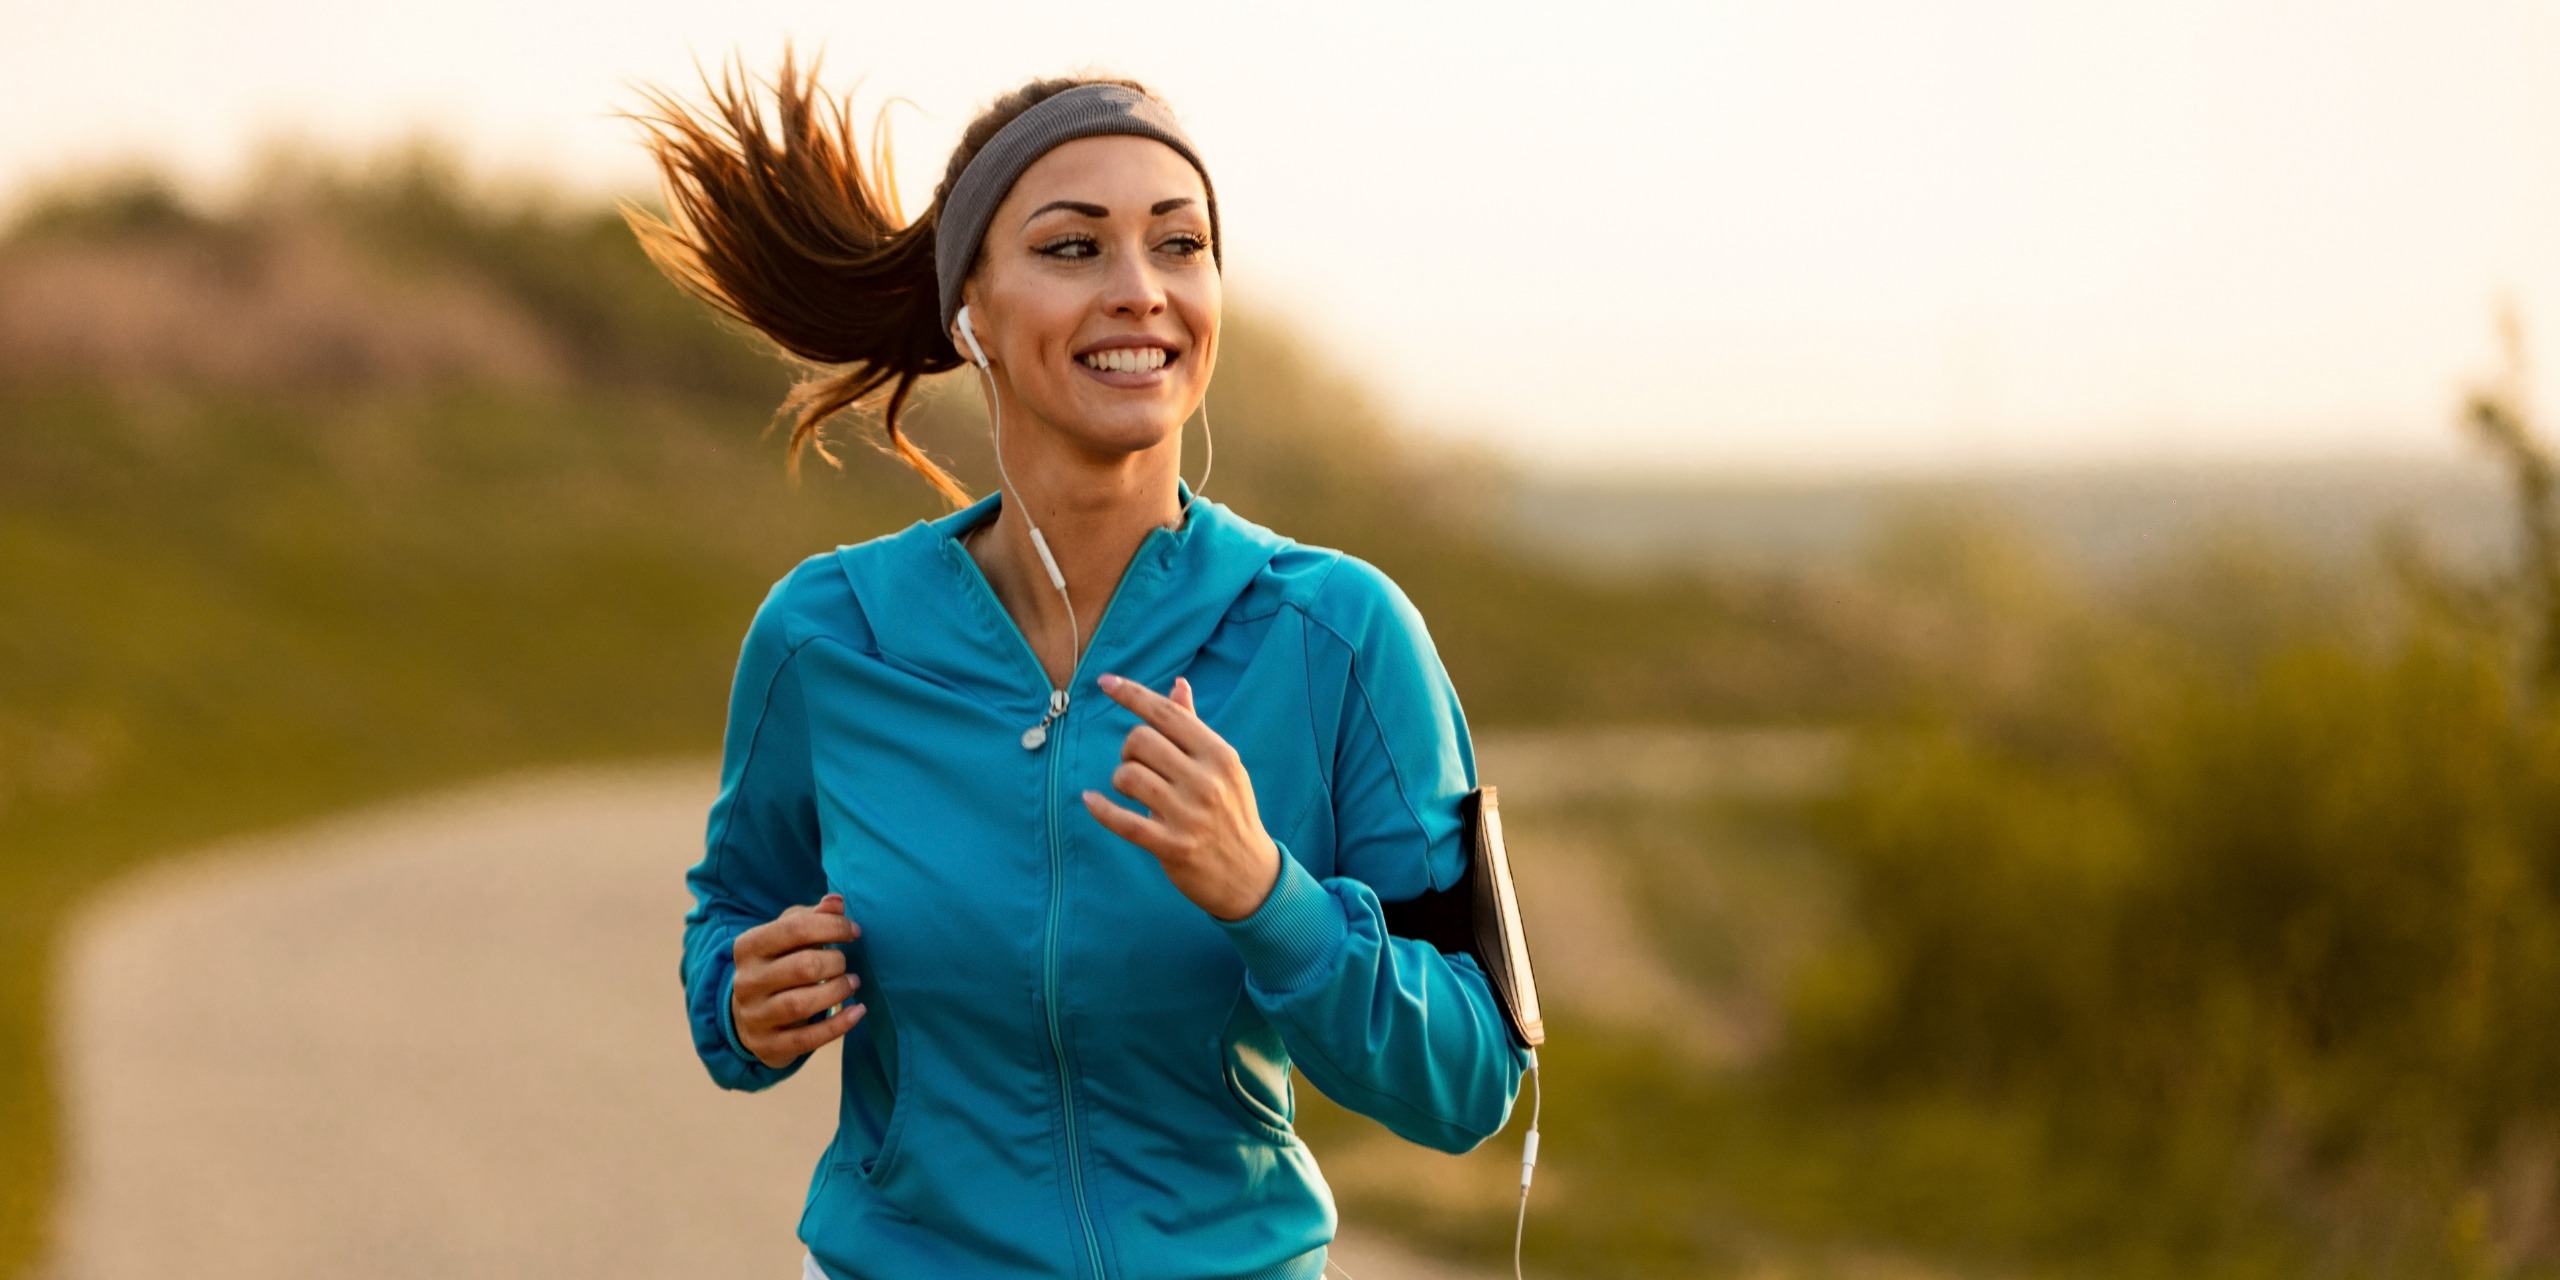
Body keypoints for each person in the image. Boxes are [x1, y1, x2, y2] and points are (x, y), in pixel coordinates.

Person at [626, 50, 1529, 1280]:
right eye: (1071, 247)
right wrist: (740, 1002)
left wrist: (1270, 895)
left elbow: (1473, 1075)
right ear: (970, 313)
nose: (1139, 291)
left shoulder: (1338, 634)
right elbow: (728, 927)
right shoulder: (828, 637)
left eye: (1178, 244)